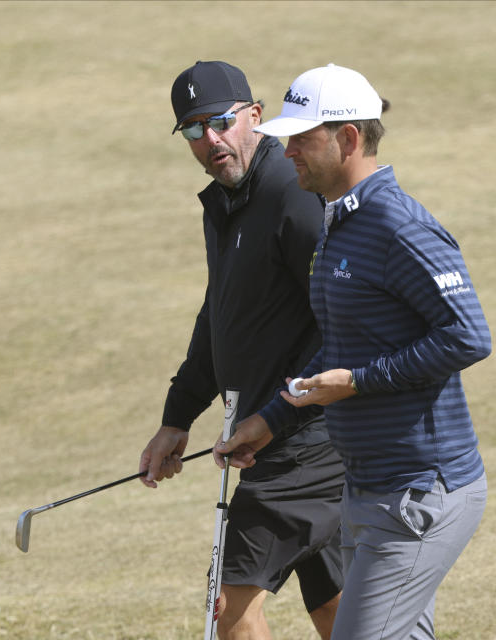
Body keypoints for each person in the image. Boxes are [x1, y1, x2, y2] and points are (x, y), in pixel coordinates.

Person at [215, 64, 492, 640]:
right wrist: (272, 419)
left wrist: (360, 382)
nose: (287, 151)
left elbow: (467, 336)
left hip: (421, 492)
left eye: (302, 138)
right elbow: (338, 352)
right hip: (366, 492)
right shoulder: (337, 227)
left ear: (347, 139)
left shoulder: (398, 226)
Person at [137, 61, 345, 640]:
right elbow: (220, 317)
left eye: (220, 122)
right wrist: (178, 417)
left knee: (226, 607)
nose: (210, 141)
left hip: (307, 445)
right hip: (277, 441)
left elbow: (346, 323)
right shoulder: (227, 203)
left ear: (255, 116)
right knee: (337, 609)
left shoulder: (292, 198)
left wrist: (281, 412)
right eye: (192, 130)